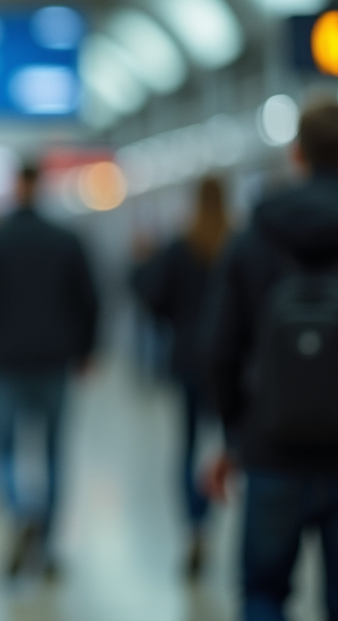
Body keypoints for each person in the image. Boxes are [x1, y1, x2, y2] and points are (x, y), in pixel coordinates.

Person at [206, 98, 338, 621]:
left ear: (296, 155)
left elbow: (221, 349)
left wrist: (233, 438)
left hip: (272, 453)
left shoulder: (252, 241)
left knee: (264, 595)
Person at [0, 163, 99, 578]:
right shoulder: (67, 241)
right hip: (55, 361)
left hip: (0, 363)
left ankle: (22, 513)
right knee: (54, 452)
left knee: (6, 450)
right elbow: (89, 299)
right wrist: (87, 349)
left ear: (15, 186)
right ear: (42, 186)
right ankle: (48, 544)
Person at [132, 176, 230, 579]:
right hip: (231, 364)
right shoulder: (236, 243)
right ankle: (217, 518)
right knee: (228, 445)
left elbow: (151, 296)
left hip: (189, 358)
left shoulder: (179, 247)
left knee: (187, 446)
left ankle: (195, 528)